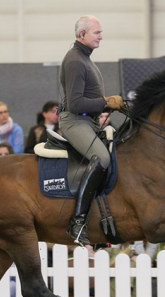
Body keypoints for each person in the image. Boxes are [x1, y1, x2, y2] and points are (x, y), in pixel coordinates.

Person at [58, 15, 124, 245]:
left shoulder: (86, 59)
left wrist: (110, 107)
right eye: (96, 32)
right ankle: (77, 221)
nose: (101, 36)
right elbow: (75, 103)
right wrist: (106, 102)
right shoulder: (76, 60)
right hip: (74, 121)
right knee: (102, 157)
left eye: (100, 32)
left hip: (90, 121)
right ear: (81, 34)